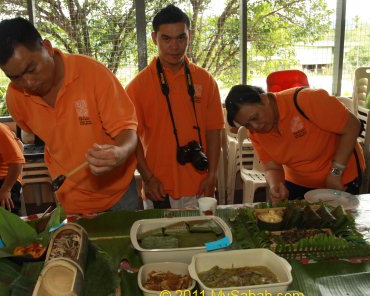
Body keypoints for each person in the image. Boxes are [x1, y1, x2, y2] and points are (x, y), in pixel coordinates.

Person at [0, 17, 139, 214]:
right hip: (70, 196)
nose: (29, 83)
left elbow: (127, 130)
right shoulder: (16, 98)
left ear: (47, 47)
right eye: (15, 77)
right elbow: (38, 133)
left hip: (119, 194)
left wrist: (120, 152)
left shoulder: (93, 74)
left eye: (31, 69)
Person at [126, 5, 224, 209]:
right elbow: (131, 139)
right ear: (154, 38)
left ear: (190, 36)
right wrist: (147, 177)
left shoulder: (205, 81)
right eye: (166, 38)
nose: (174, 46)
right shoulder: (137, 86)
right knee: (162, 240)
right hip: (159, 187)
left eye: (181, 38)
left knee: (201, 238)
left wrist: (212, 174)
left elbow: (214, 130)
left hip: (200, 184)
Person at [225, 84, 365, 203]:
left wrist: (335, 173)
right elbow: (272, 167)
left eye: (255, 117)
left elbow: (353, 126)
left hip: (340, 177)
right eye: (247, 125)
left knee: (340, 229)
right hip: (298, 181)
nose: (255, 127)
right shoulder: (255, 133)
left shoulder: (307, 99)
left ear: (264, 99)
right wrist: (276, 185)